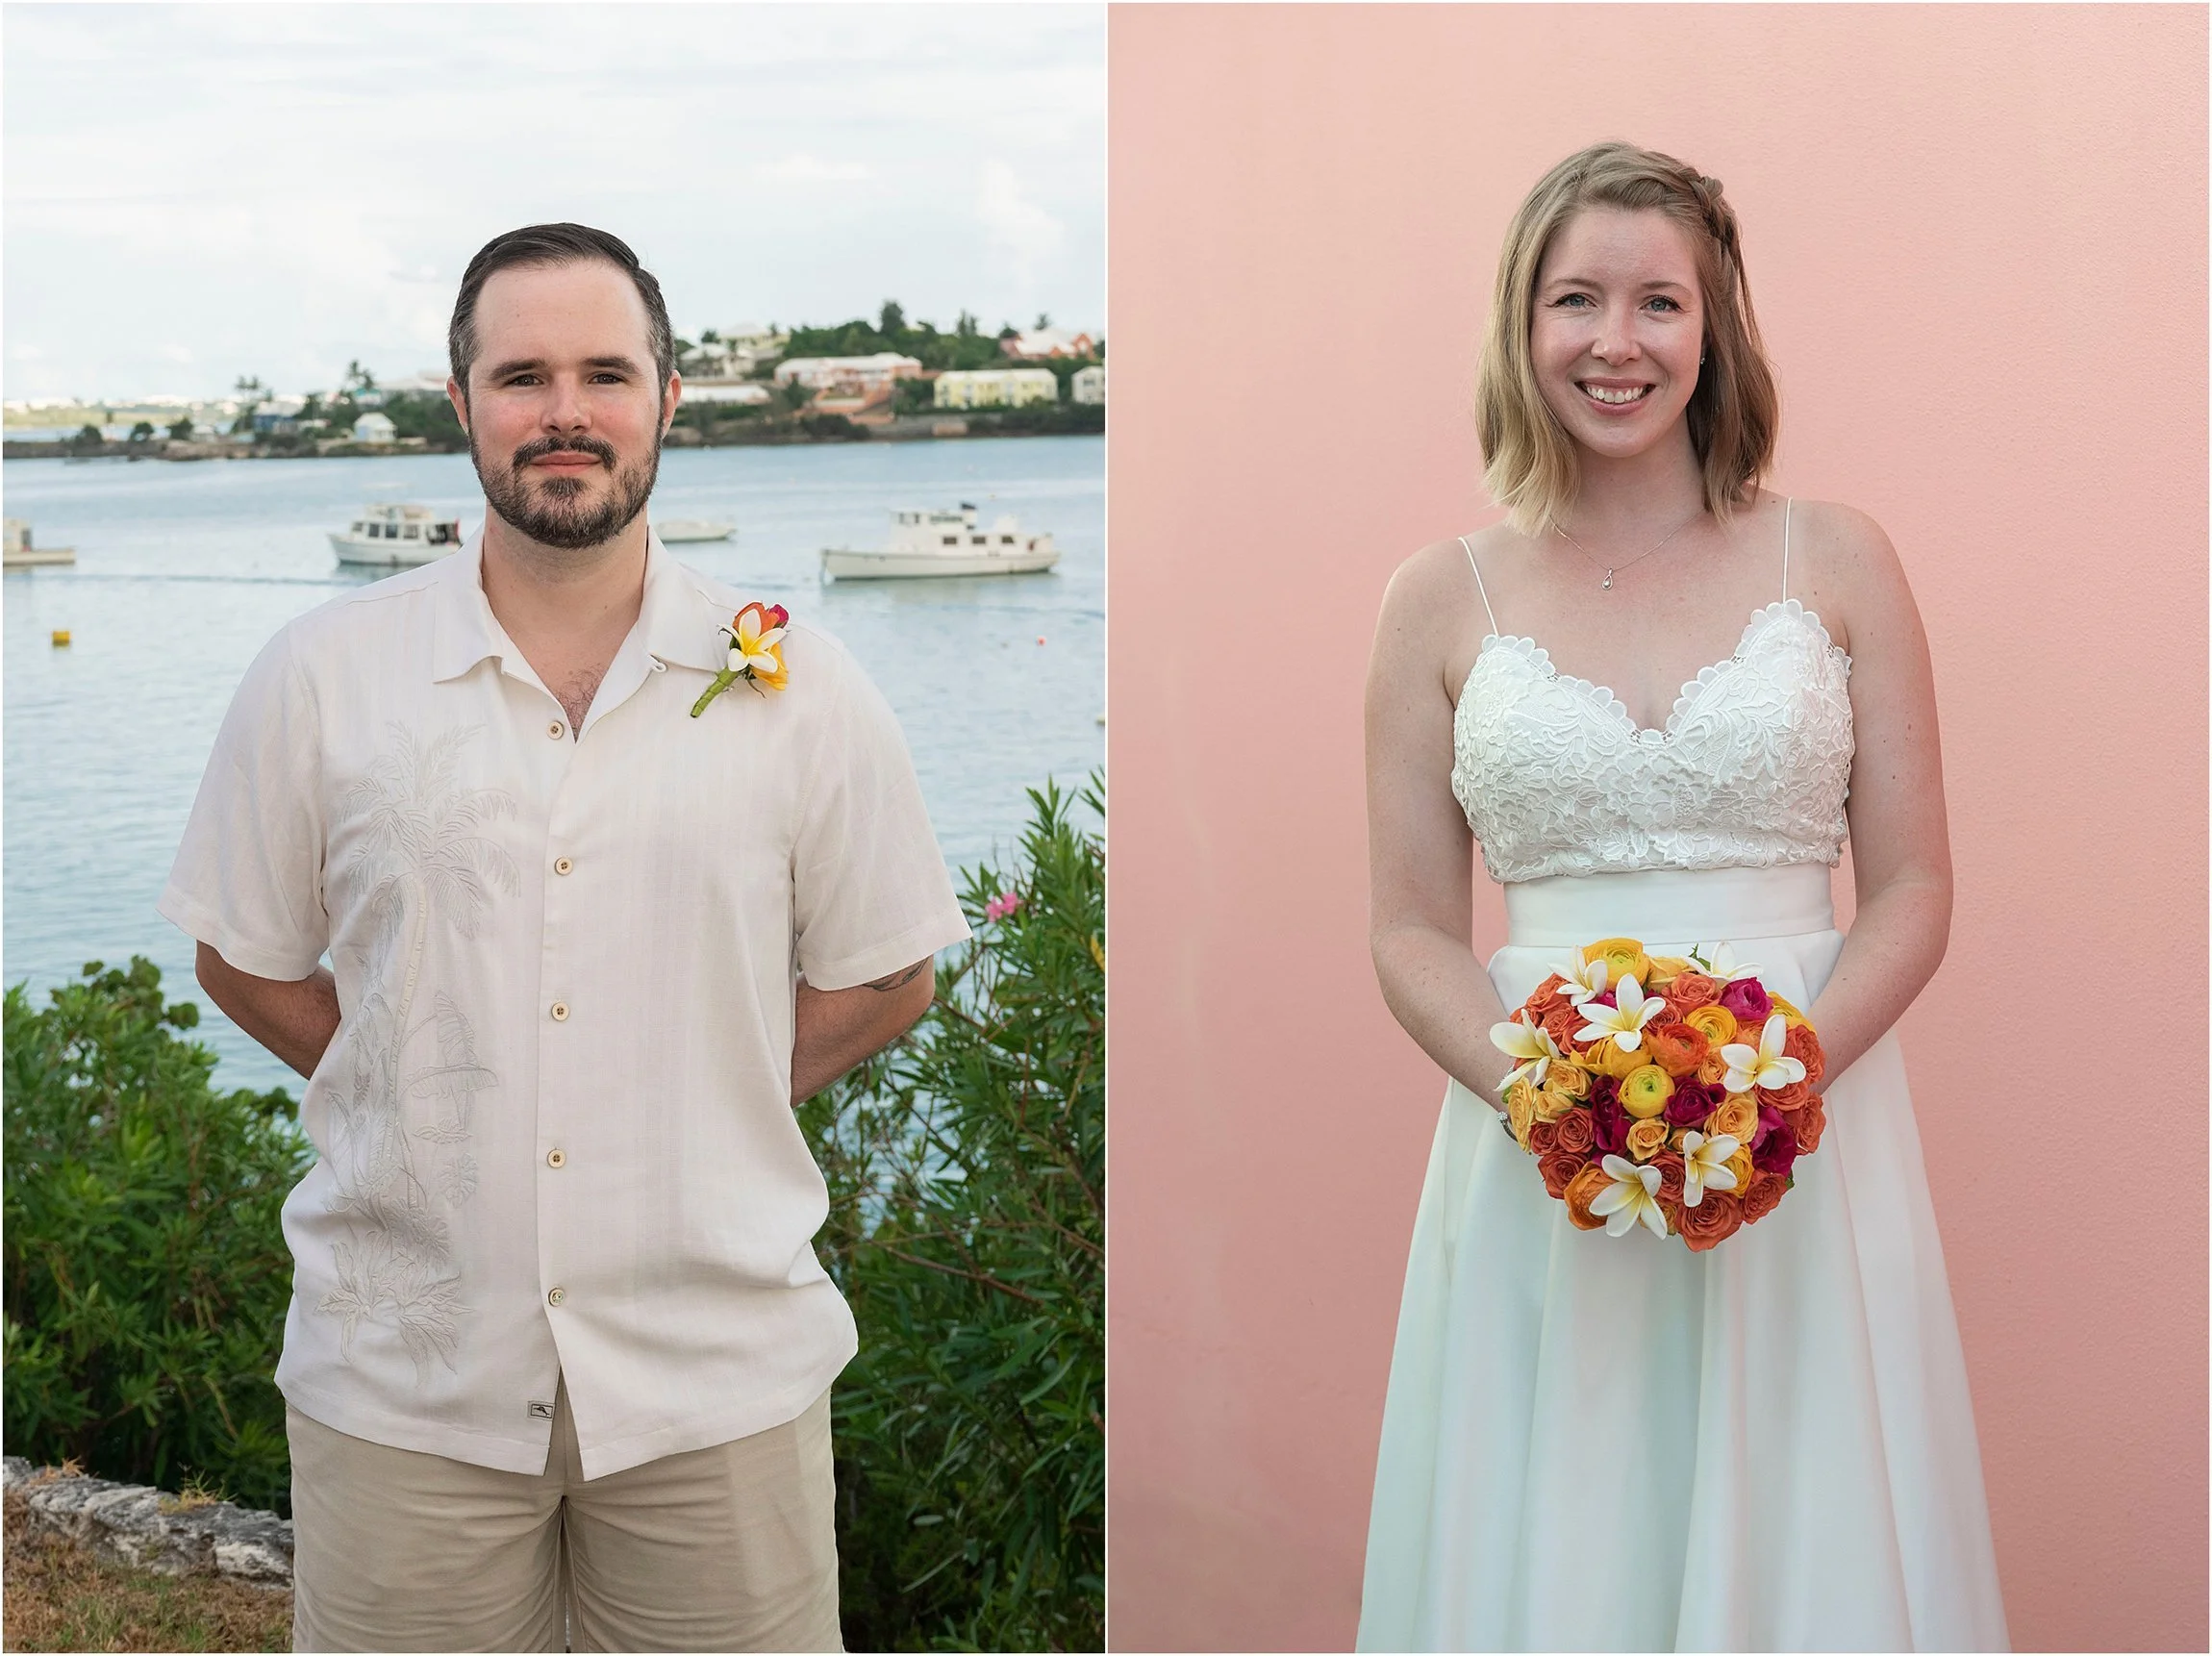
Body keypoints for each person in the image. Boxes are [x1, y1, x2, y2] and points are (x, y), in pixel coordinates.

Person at [159, 222, 970, 1652]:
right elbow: (242, 950)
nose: (565, 411)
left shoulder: (806, 687)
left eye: (605, 371)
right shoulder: (320, 680)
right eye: (521, 374)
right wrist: (413, 1077)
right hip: (406, 1385)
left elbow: (889, 969)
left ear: (668, 397)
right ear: (458, 401)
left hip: (715, 1380)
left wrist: (696, 1095)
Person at [1356, 144, 2009, 1650]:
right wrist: (1547, 1094)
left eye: (1661, 301)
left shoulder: (1837, 558)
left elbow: (1913, 885)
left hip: (1810, 1140)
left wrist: (1780, 1084)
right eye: (1576, 297)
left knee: (1809, 1521)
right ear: (1523, 327)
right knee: (1570, 1523)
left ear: (1715, 330)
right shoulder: (1434, 599)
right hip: (1545, 1149)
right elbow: (1406, 927)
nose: (1616, 340)